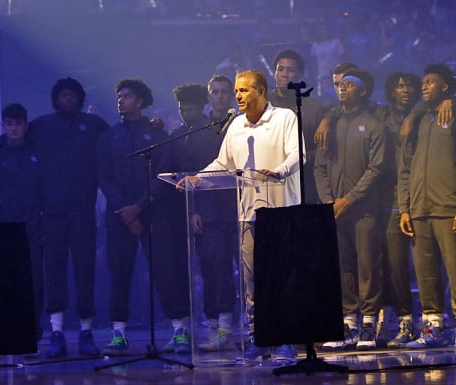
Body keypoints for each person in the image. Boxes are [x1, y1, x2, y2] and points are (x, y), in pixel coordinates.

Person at [177, 69, 302, 362]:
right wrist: (198, 178)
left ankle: (286, 339)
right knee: (251, 280)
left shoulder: (284, 118)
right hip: (247, 214)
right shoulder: (235, 126)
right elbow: (223, 162)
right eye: (236, 91)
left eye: (244, 91)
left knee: (280, 276)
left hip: (280, 210)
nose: (237, 96)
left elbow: (298, 154)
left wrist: (280, 171)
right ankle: (259, 336)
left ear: (262, 92)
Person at [97, 78, 191, 356]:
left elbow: (163, 177)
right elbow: (103, 177)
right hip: (118, 217)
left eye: (126, 96)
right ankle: (118, 335)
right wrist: (126, 211)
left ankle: (179, 330)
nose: (121, 100)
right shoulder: (107, 137)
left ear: (139, 101)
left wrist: (139, 207)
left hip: (155, 216)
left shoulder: (158, 136)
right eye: (119, 96)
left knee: (165, 271)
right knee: (120, 275)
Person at [26, 77, 109, 358]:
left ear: (80, 99)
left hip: (84, 213)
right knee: (54, 274)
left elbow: (117, 144)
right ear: (55, 98)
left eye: (72, 95)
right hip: (51, 215)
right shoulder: (41, 126)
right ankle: (56, 332)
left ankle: (86, 332)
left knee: (86, 271)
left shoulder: (94, 126)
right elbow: (14, 138)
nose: (68, 99)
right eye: (63, 95)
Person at [397, 64, 456, 348]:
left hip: (447, 205)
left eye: (431, 82)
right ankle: (433, 326)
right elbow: (404, 167)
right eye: (424, 82)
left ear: (444, 87)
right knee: (425, 271)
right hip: (418, 208)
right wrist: (404, 207)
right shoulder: (415, 120)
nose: (424, 86)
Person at [314, 68, 386, 351]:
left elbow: (376, 168)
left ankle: (368, 324)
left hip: (363, 210)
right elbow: (320, 167)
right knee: (343, 268)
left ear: (363, 91)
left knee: (367, 266)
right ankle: (348, 324)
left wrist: (350, 199)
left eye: (350, 85)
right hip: (335, 210)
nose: (342, 88)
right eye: (340, 85)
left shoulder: (373, 125)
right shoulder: (328, 126)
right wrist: (329, 201)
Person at [169, 82, 237, 352]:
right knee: (211, 270)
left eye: (225, 92)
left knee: (231, 271)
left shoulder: (226, 129)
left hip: (229, 210)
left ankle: (230, 327)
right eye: (215, 92)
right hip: (204, 213)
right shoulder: (189, 133)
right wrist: (192, 209)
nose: (220, 97)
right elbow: (186, 172)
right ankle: (213, 326)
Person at [0, 103, 44, 356]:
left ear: (26, 125)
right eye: (9, 124)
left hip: (31, 228)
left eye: (18, 124)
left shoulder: (37, 150)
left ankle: (30, 336)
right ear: (3, 126)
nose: (14, 128)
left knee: (33, 283)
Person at [374, 72, 422, 348]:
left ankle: (436, 319)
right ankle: (404, 320)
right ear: (391, 90)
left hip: (424, 191)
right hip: (392, 195)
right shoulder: (383, 115)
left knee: (429, 262)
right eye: (399, 85)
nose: (404, 89)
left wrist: (414, 116)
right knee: (396, 264)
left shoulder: (429, 111)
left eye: (409, 85)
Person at [268, 48, 323, 204]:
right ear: (274, 73)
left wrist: (299, 159)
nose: (285, 74)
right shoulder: (264, 104)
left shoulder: (312, 107)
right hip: (270, 183)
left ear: (300, 75)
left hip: (305, 183)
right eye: (280, 69)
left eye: (291, 70)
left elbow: (321, 149)